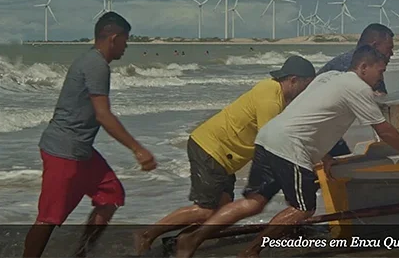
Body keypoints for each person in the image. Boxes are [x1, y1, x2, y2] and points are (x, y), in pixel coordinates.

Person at [174, 45, 399, 258]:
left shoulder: (329, 77)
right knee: (303, 209)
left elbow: (312, 113)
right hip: (291, 147)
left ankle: (192, 238)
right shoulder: (357, 88)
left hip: (268, 138)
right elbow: (384, 131)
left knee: (253, 202)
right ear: (363, 67)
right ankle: (251, 251)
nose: (381, 77)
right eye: (379, 70)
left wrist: (324, 155)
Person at [132, 56, 317, 255]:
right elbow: (270, 143)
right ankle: (147, 233)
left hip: (221, 154)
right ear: (294, 80)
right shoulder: (270, 99)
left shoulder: (276, 94)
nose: (307, 92)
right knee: (206, 210)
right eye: (307, 85)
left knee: (221, 210)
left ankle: (181, 240)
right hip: (211, 148)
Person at [23, 12, 157, 258]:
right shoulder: (96, 64)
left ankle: (81, 253)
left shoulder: (92, 61)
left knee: (111, 194)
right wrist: (138, 149)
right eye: (125, 40)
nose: (126, 46)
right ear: (114, 38)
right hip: (63, 150)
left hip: (81, 151)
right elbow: (103, 115)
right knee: (49, 218)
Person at [316, 23, 395, 157]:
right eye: (389, 48)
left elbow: (382, 101)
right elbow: (379, 116)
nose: (392, 53)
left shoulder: (369, 65)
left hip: (329, 131)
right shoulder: (349, 67)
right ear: (375, 46)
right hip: (317, 131)